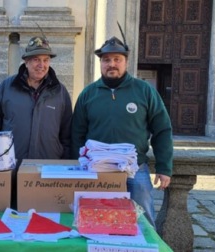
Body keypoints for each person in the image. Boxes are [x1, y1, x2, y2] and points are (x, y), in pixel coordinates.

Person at [71, 34, 173, 227]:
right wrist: (79, 165)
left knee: (143, 220)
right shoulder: (88, 94)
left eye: (117, 59)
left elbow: (162, 130)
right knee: (96, 219)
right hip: (96, 170)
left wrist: (164, 167)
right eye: (107, 60)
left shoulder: (144, 91)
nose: (112, 64)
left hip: (135, 171)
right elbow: (77, 133)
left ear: (126, 62)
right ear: (101, 63)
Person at [0, 35, 72, 162]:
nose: (41, 65)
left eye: (46, 60)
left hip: (48, 167)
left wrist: (64, 163)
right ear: (26, 62)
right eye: (36, 59)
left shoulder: (60, 92)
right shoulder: (6, 88)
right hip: (11, 165)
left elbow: (67, 134)